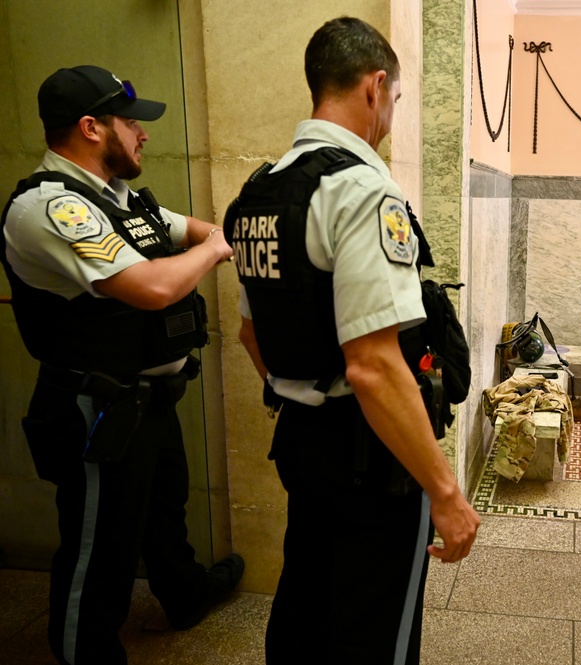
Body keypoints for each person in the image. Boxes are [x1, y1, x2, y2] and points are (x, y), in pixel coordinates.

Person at [225, 17, 480, 664]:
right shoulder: (361, 191)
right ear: (374, 87)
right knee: (375, 630)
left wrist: (304, 391)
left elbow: (252, 334)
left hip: (302, 439)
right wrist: (447, 494)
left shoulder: (257, 193)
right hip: (369, 452)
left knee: (307, 605)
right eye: (394, 99)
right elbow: (373, 367)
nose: (391, 114)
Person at [0, 65, 242, 664]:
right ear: (90, 128)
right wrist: (213, 250)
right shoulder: (51, 207)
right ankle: (85, 648)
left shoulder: (118, 200)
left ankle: (184, 594)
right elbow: (152, 287)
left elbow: (195, 229)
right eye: (131, 123)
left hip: (146, 396)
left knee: (163, 509)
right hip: (96, 406)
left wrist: (226, 233)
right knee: (98, 542)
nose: (143, 135)